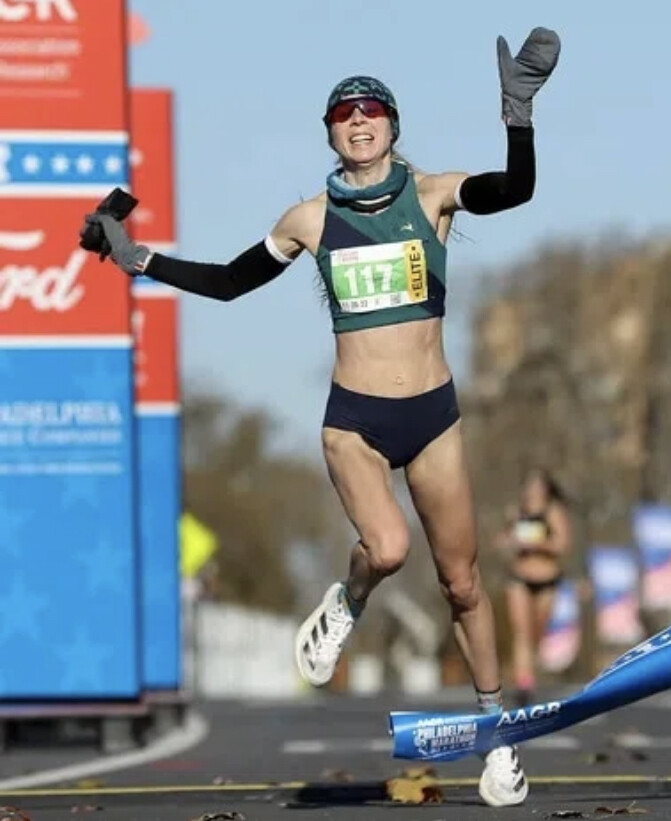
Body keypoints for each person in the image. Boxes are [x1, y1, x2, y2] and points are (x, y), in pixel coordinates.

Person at [80, 26, 562, 809]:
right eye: (344, 114)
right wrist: (135, 258)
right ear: (331, 134)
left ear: (393, 125)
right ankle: (350, 598)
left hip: (434, 416)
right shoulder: (308, 220)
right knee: (389, 547)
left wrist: (519, 116)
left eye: (372, 110)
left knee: (464, 583)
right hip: (356, 420)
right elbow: (230, 281)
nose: (359, 120)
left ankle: (497, 736)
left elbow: (516, 189)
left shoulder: (433, 195)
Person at [494, 468, 572, 706]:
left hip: (546, 578)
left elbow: (561, 545)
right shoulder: (517, 512)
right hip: (519, 577)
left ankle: (529, 672)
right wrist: (509, 541)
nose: (532, 491)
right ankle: (523, 683)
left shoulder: (553, 512)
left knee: (536, 632)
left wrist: (537, 544)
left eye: (537, 486)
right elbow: (501, 539)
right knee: (521, 632)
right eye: (528, 485)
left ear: (546, 489)